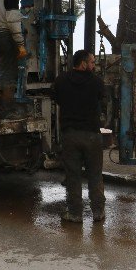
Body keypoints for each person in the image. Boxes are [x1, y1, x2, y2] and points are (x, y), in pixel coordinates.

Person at [53, 50, 106, 224]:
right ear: (82, 63)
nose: (93, 65)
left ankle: (75, 213)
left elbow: (57, 99)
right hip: (91, 135)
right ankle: (98, 212)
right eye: (91, 62)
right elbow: (102, 100)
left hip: (70, 135)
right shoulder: (96, 82)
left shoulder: (61, 80)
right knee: (95, 174)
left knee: (73, 175)